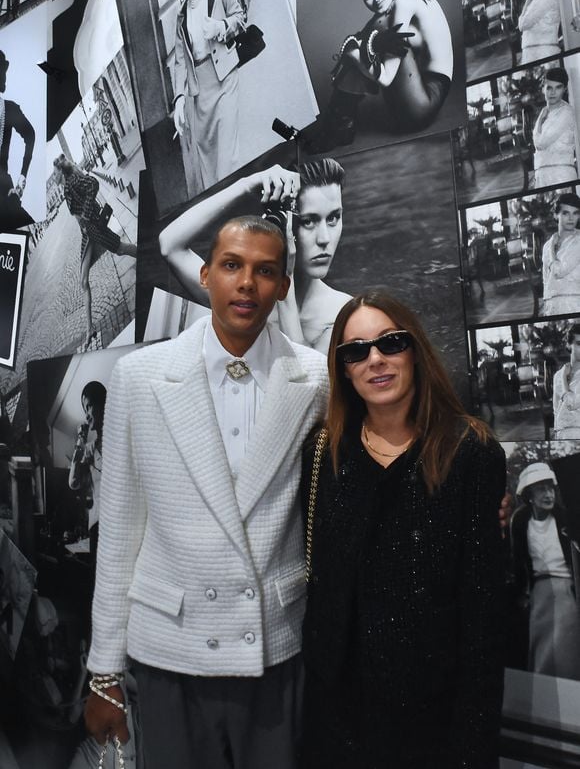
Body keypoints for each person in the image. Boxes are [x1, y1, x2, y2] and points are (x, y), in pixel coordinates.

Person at [83, 216, 329, 769]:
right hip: (170, 651)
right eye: (232, 266)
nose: (247, 283)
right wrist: (103, 673)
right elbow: (119, 531)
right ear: (205, 275)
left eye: (266, 271)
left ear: (283, 286)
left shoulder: (314, 377)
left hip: (273, 644)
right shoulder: (139, 377)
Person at [301, 288, 507, 768]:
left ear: (415, 350)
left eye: (390, 343)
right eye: (356, 351)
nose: (375, 360)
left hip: (435, 716)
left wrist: (473, 743)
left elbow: (484, 612)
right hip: (339, 715)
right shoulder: (324, 453)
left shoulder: (470, 452)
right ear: (344, 370)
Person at [159, 160, 351, 353]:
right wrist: (247, 184)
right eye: (308, 221)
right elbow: (170, 245)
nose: (324, 238)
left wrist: (287, 276)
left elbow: (304, 377)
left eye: (333, 218)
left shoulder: (343, 313)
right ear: (285, 226)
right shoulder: (245, 299)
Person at [315, 0, 453, 149]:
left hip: (423, 106)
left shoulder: (404, 2)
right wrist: (366, 45)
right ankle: (339, 123)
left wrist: (354, 56)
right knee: (373, 36)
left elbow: (386, 78)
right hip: (424, 93)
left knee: (378, 29)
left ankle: (339, 123)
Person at [171, 0, 245, 192]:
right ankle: (220, 210)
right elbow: (181, 61)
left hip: (224, 77)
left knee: (227, 156)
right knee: (208, 158)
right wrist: (180, 98)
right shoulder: (181, 14)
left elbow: (239, 16)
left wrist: (221, 26)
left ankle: (235, 205)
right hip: (200, 92)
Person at [52, 154, 137, 347]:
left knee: (121, 249)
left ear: (60, 171)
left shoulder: (72, 181)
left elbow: (93, 184)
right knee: (83, 281)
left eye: (55, 171)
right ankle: (90, 329)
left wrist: (86, 214)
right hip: (88, 235)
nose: (54, 175)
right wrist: (84, 219)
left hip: (93, 230)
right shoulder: (67, 186)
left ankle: (147, 253)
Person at [511, 462, 580, 680]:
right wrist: (522, 593)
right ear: (529, 494)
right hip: (538, 591)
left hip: (567, 588)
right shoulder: (521, 521)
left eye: (550, 488)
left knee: (564, 643)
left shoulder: (564, 517)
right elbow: (518, 560)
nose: (548, 494)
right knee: (538, 642)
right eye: (541, 489)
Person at [68, 381, 107, 564]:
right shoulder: (90, 450)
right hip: (98, 527)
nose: (86, 414)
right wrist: (80, 439)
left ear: (105, 404)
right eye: (85, 408)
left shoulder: (123, 441)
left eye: (89, 405)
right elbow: (73, 482)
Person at [0, 49, 35, 230]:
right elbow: (30, 135)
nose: (4, 77)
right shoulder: (9, 109)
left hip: (6, 194)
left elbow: (30, 135)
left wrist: (23, 176)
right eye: (1, 72)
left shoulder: (9, 109)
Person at [533, 66, 578, 188]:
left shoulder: (566, 112)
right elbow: (537, 144)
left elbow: (540, 143)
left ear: (564, 89)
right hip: (542, 174)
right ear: (543, 88)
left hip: (562, 175)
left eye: (558, 87)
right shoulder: (543, 111)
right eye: (549, 88)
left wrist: (541, 122)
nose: (553, 92)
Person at [542, 192, 580, 315]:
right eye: (565, 213)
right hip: (552, 306)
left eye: (575, 213)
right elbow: (545, 280)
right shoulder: (547, 245)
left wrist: (552, 247)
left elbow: (559, 271)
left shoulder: (578, 241)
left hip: (574, 304)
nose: (571, 218)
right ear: (556, 215)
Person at [552, 324, 580, 439]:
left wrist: (564, 378)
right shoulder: (558, 375)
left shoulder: (561, 375)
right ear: (569, 345)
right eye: (579, 344)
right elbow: (556, 409)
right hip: (562, 433)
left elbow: (571, 404)